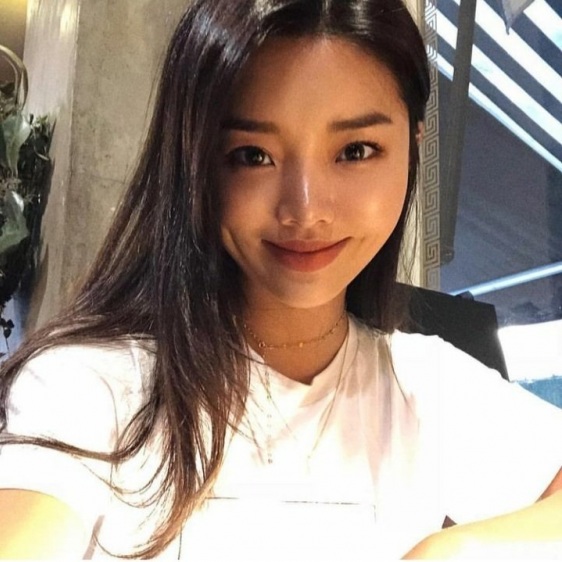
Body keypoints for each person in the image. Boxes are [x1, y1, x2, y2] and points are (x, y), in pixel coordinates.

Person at [1, 0, 562, 559]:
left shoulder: (424, 384)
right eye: (253, 156)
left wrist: (452, 549)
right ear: (195, 163)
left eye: (355, 151)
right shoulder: (90, 385)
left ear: (413, 147)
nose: (305, 210)